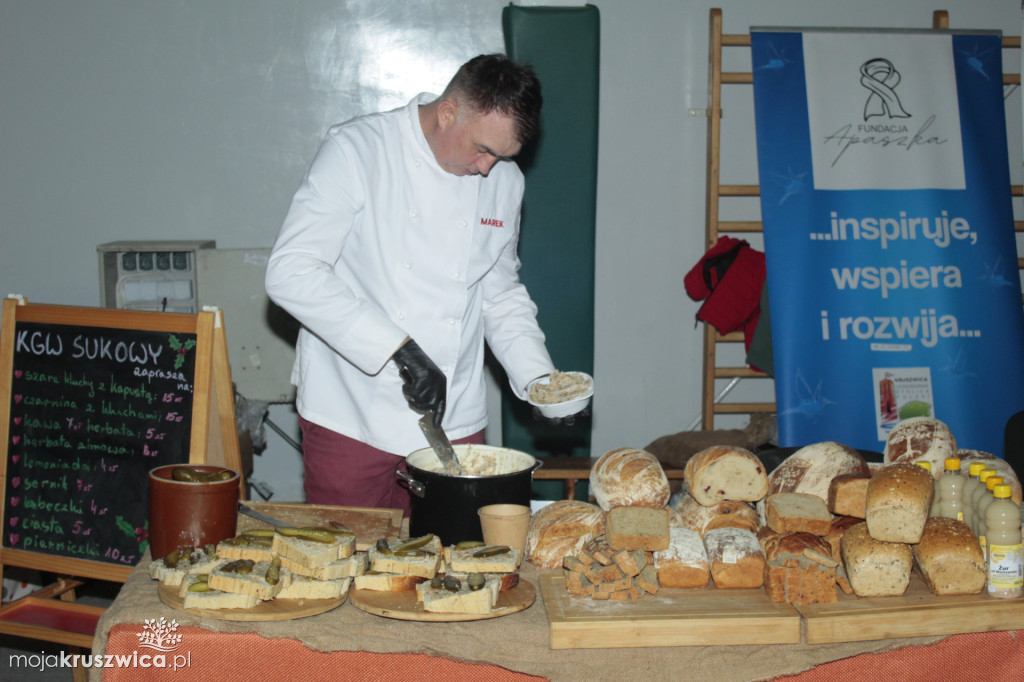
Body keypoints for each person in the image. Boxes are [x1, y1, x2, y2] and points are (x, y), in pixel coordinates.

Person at [265, 54, 558, 514]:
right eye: (482, 149)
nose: (487, 168)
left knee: (452, 558)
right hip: (351, 408)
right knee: (350, 555)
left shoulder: (505, 180)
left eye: (502, 156)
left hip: (454, 410)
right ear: (447, 113)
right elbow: (291, 270)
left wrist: (538, 378)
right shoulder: (358, 150)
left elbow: (498, 293)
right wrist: (398, 347)